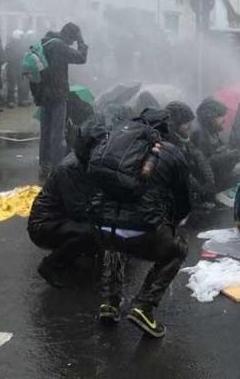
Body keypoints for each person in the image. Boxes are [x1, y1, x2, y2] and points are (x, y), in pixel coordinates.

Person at [88, 108, 191, 338]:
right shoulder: (171, 152)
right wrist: (173, 223)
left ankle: (109, 303)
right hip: (143, 232)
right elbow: (184, 200)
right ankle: (144, 307)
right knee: (177, 249)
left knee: (114, 240)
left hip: (101, 229)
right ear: (165, 130)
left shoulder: (113, 147)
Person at [28, 121, 106, 288]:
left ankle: (72, 257)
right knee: (95, 232)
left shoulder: (86, 162)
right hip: (44, 224)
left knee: (100, 229)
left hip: (61, 219)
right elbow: (78, 210)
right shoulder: (70, 169)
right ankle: (51, 265)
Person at [30, 23, 89, 181]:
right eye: (73, 39)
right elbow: (81, 58)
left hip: (43, 95)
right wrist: (81, 41)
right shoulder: (59, 46)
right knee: (57, 133)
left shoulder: (46, 41)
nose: (72, 43)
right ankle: (57, 171)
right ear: (71, 36)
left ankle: (44, 166)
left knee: (46, 132)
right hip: (57, 95)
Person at [164, 101, 217, 207]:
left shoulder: (182, 136)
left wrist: (210, 182)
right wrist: (200, 191)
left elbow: (198, 155)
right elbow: (183, 172)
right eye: (186, 123)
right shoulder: (167, 142)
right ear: (175, 124)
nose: (190, 126)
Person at [191, 98, 239, 191]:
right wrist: (227, 156)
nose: (224, 120)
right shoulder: (198, 136)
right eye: (220, 116)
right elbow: (202, 166)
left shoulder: (213, 132)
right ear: (210, 117)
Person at [5, 29, 28, 108]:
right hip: (12, 66)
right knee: (11, 84)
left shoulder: (23, 45)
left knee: (22, 84)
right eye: (21, 36)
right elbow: (8, 56)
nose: (22, 38)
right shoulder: (10, 45)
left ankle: (22, 100)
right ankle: (10, 101)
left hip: (20, 66)